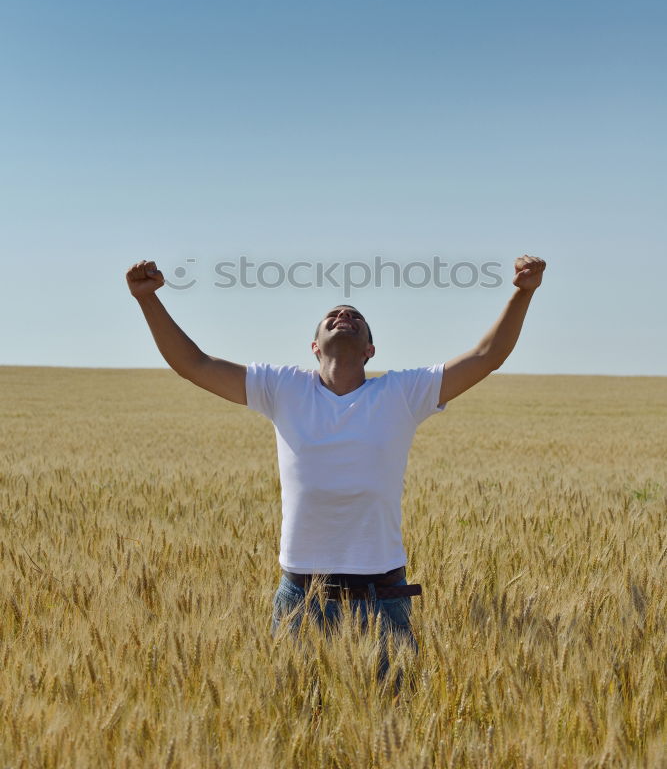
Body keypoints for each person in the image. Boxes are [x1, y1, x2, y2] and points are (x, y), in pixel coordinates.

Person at [126, 254, 546, 694]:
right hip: (300, 595)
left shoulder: (402, 393)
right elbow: (195, 365)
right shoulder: (283, 388)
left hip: (382, 595)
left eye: (356, 317)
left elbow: (487, 355)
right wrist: (147, 300)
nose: (343, 315)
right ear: (313, 348)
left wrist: (523, 292)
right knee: (298, 725)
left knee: (393, 727)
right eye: (332, 315)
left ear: (369, 350)